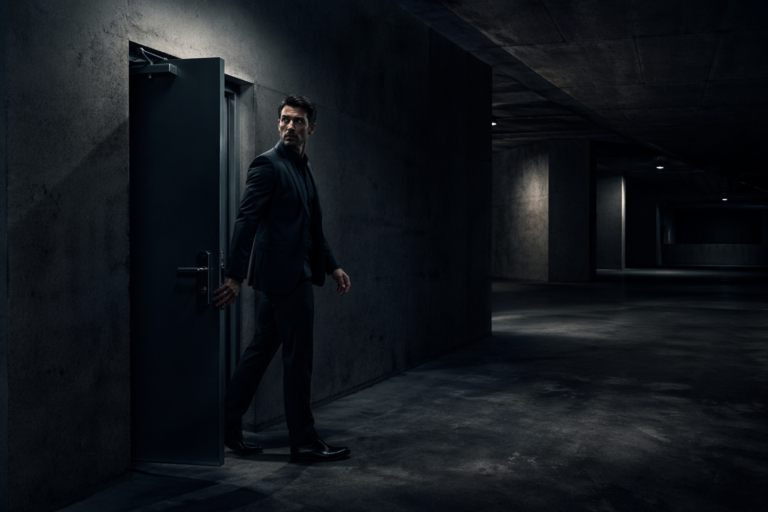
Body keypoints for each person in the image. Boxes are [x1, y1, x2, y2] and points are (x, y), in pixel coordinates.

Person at [213, 94, 351, 463]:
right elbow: (246, 221)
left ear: (311, 128)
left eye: (298, 121)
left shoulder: (303, 167)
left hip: (296, 274)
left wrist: (332, 265)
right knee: (298, 359)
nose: (290, 126)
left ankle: (225, 423)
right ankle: (304, 442)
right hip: (286, 279)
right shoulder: (268, 165)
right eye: (285, 120)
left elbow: (310, 227)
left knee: (259, 353)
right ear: (279, 124)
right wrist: (234, 276)